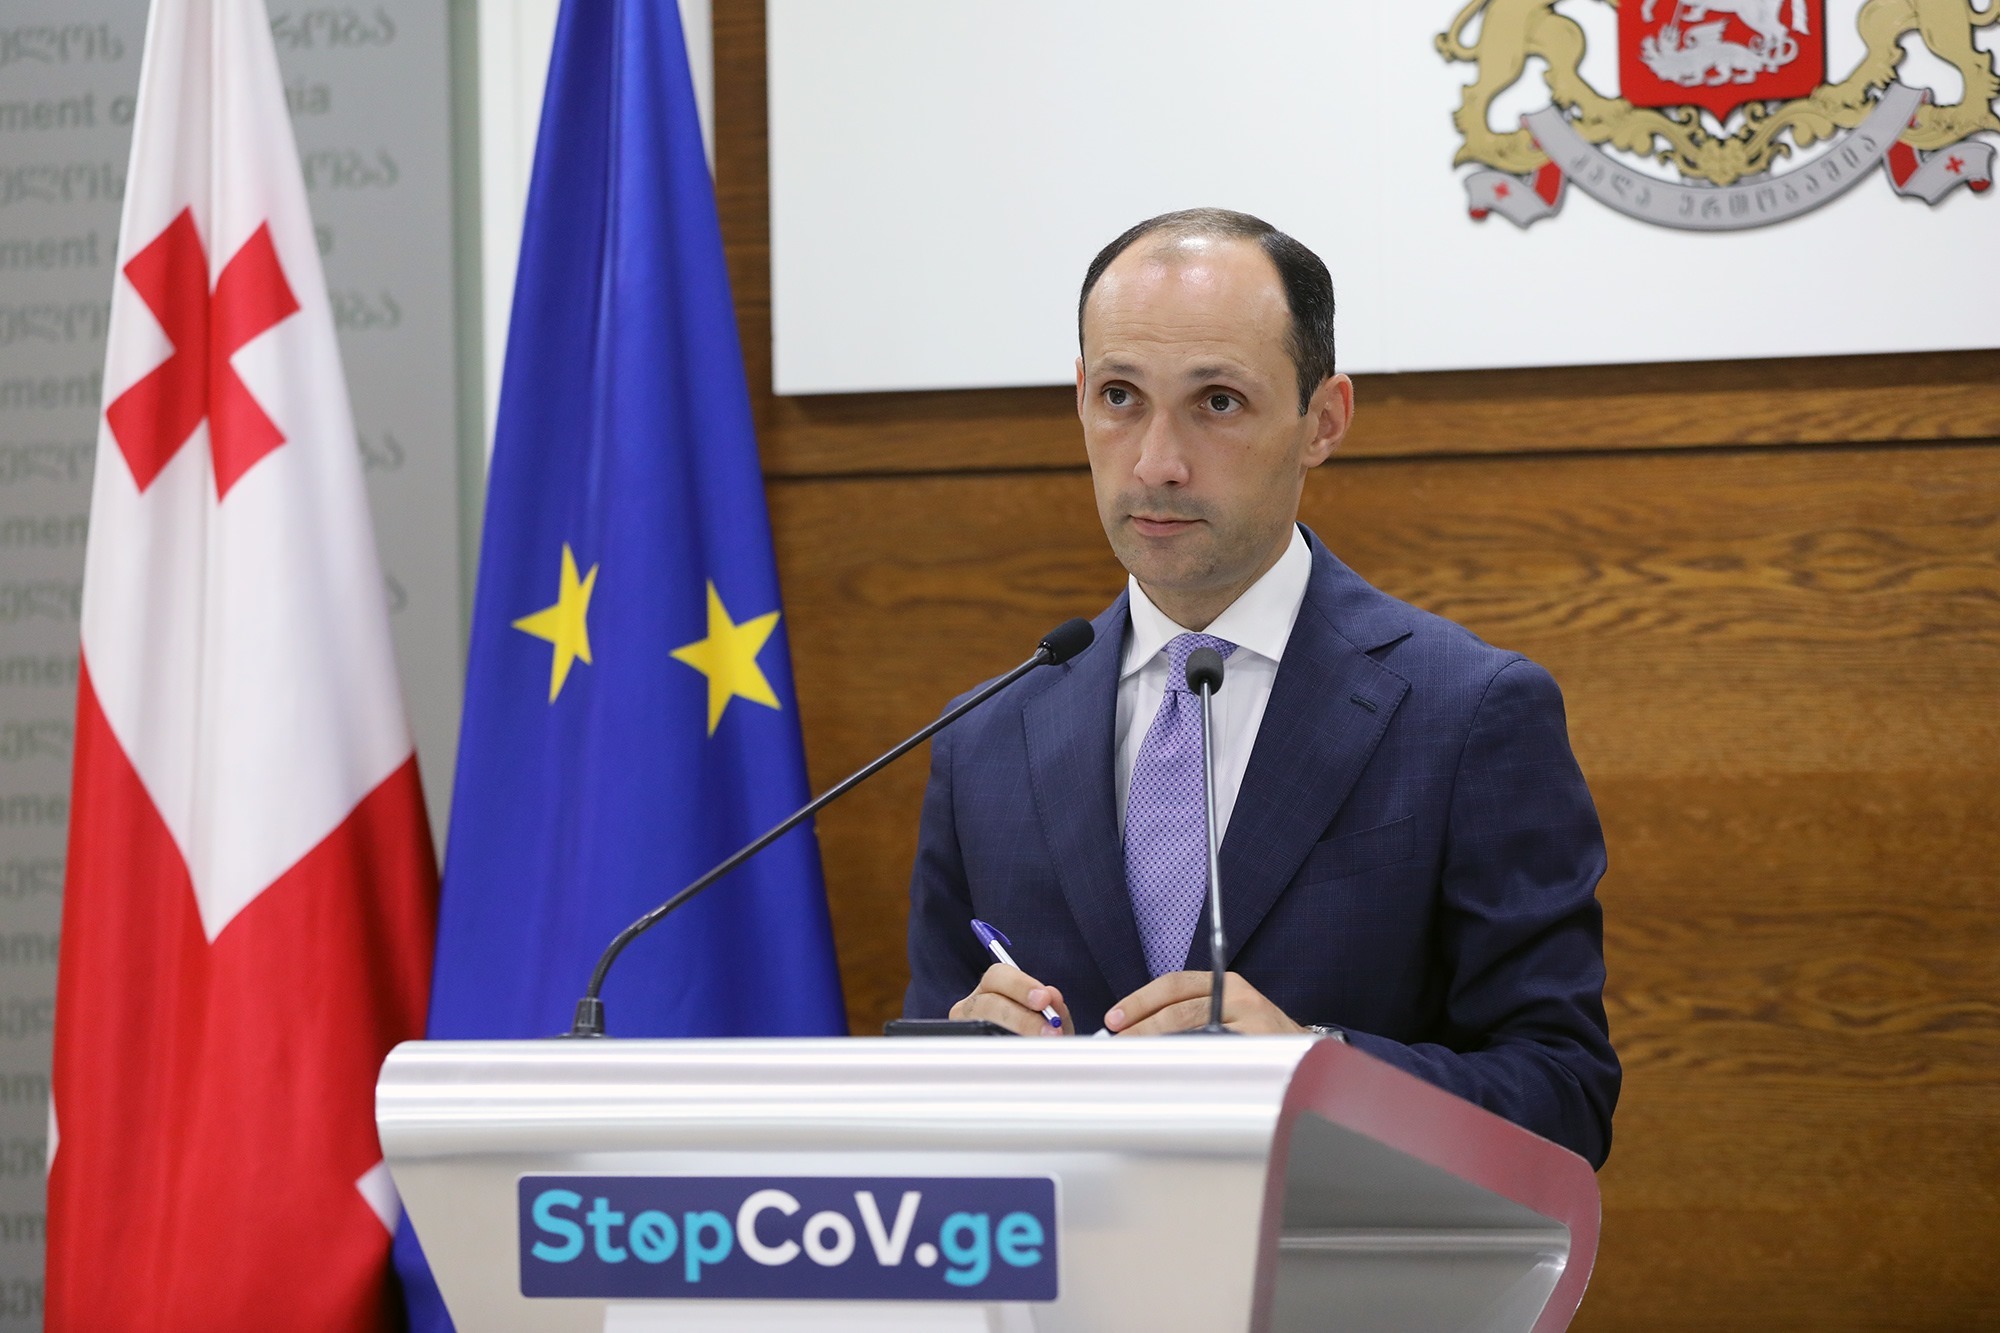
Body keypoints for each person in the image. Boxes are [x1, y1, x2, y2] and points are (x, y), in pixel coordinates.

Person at [902, 208, 1618, 1167]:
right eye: (1119, 396)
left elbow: (1565, 1095)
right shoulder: (986, 737)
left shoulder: (1469, 712)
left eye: (1218, 401)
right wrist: (967, 1060)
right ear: (1079, 399)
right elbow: (929, 1078)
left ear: (1323, 421)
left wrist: (1316, 1067)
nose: (1156, 461)